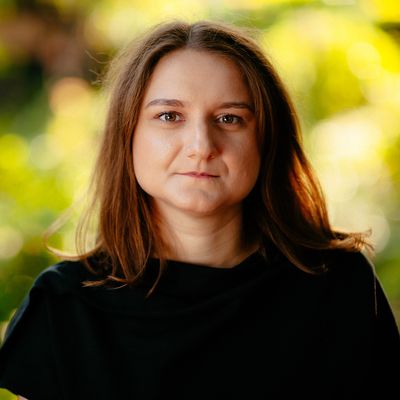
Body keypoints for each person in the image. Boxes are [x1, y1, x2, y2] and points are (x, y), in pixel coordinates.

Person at [0, 19, 399, 400]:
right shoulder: (65, 305)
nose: (201, 145)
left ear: (266, 139)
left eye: (229, 118)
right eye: (169, 116)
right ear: (127, 134)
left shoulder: (339, 286)